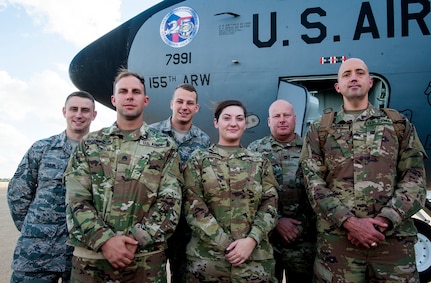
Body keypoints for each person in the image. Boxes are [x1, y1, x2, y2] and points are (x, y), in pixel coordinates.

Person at [300, 58, 428, 282]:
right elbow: (313, 183)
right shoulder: (319, 129)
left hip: (392, 245)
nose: (353, 77)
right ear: (338, 87)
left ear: (370, 82)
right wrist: (350, 223)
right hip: (339, 248)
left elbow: (414, 178)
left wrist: (386, 220)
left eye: (360, 73)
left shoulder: (398, 125)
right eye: (346, 74)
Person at [64, 69, 183, 282]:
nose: (129, 96)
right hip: (92, 262)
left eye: (136, 92)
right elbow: (76, 198)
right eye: (123, 91)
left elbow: (170, 202)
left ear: (145, 100)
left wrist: (134, 239)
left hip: (144, 262)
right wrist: (105, 240)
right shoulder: (89, 144)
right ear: (113, 99)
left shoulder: (164, 147)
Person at [183, 99, 279, 282]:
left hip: (254, 263)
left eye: (239, 118)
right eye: (227, 118)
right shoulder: (199, 160)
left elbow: (270, 205)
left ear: (245, 124)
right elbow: (193, 205)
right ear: (216, 122)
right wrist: (226, 244)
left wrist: (251, 241)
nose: (233, 123)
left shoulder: (260, 162)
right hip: (208, 262)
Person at [7, 91, 97, 283]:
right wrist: (34, 228)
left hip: (80, 255)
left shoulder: (101, 154)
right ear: (64, 111)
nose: (79, 115)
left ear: (93, 115)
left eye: (85, 110)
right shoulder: (42, 148)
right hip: (36, 254)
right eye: (74, 109)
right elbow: (18, 193)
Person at [248, 99, 316, 282]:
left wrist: (297, 226)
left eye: (286, 115)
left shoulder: (311, 149)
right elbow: (248, 195)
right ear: (269, 121)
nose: (282, 120)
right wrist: (277, 221)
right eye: (276, 116)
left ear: (295, 118)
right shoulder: (254, 151)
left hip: (304, 241)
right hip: (267, 241)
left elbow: (319, 192)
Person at [149, 83, 210, 282]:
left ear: (196, 108)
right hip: (155, 220)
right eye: (180, 101)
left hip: (187, 224)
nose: (184, 107)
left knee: (183, 276)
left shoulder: (203, 141)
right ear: (171, 104)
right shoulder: (151, 134)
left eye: (190, 103)